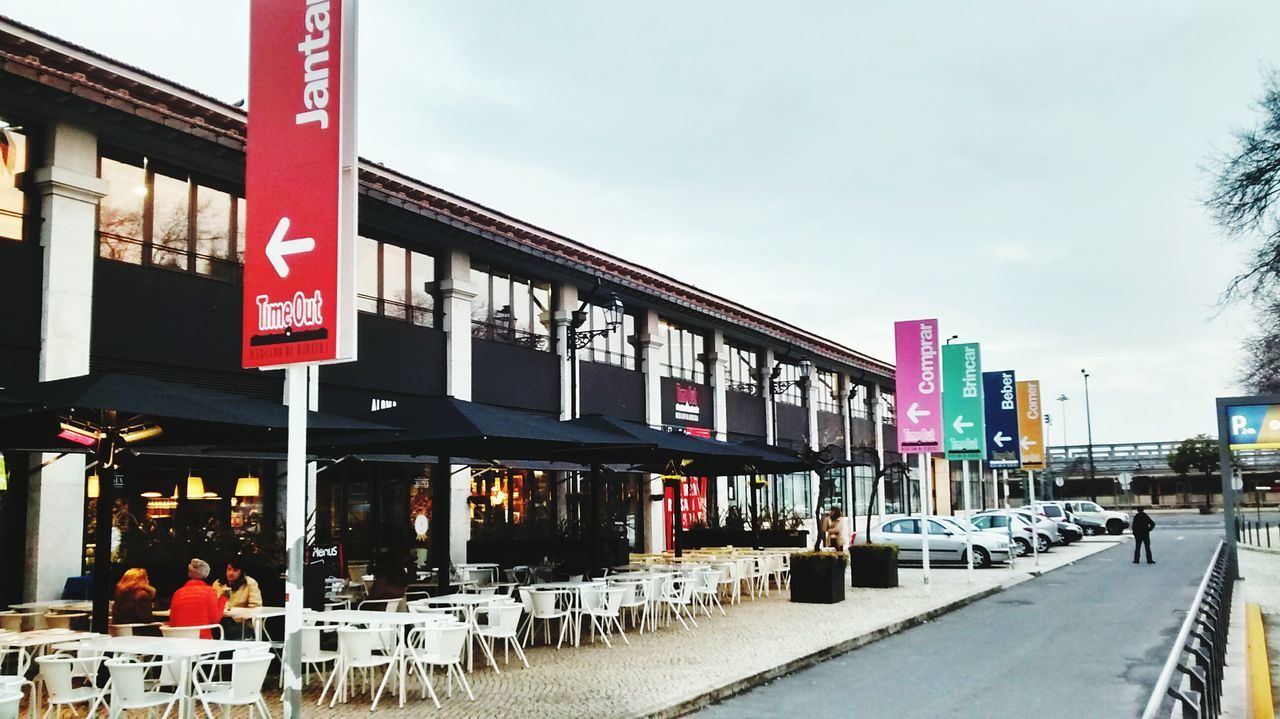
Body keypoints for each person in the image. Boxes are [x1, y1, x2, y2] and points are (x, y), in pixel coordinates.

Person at [168, 558, 227, 638]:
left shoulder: (177, 593)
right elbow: (214, 620)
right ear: (206, 574)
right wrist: (223, 598)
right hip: (202, 643)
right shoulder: (209, 592)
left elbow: (173, 622)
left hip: (180, 643)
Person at [212, 557, 263, 637]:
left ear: (241, 572)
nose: (231, 573)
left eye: (235, 570)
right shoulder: (218, 583)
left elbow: (256, 606)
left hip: (241, 622)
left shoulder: (250, 583)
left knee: (231, 632)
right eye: (229, 569)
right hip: (220, 621)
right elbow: (212, 605)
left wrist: (240, 614)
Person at [112, 567, 159, 634]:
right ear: (142, 580)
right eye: (146, 578)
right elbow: (147, 620)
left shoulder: (120, 594)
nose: (148, 581)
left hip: (120, 633)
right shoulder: (141, 595)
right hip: (137, 633)